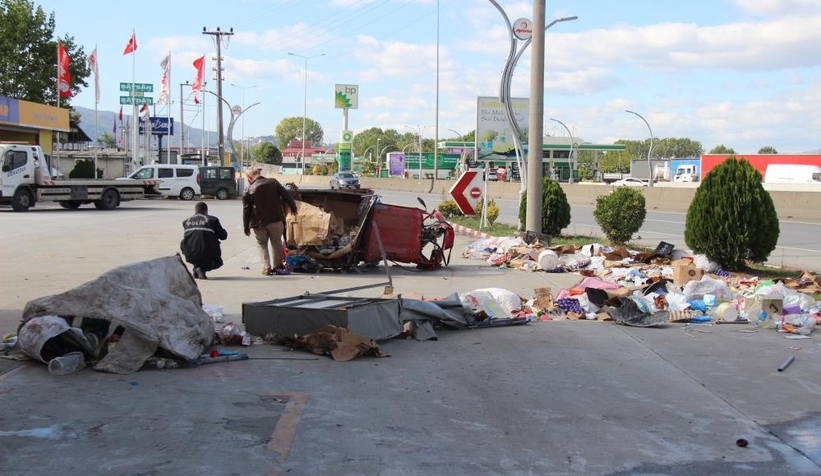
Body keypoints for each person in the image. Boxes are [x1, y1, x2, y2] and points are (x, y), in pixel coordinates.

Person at [242, 167, 298, 276]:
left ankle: (266, 267)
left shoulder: (248, 190)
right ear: (259, 173)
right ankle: (278, 266)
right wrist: (293, 207)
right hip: (275, 220)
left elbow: (246, 210)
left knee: (262, 244)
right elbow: (286, 195)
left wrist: (246, 227)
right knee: (276, 242)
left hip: (258, 223)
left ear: (249, 178)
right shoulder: (273, 182)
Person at [180, 201, 228, 280]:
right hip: (206, 252)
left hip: (190, 254)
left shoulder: (186, 222)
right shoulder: (213, 220)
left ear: (195, 211)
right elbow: (223, 236)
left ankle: (196, 269)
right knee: (218, 262)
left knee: (191, 242)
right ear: (206, 211)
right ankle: (202, 269)